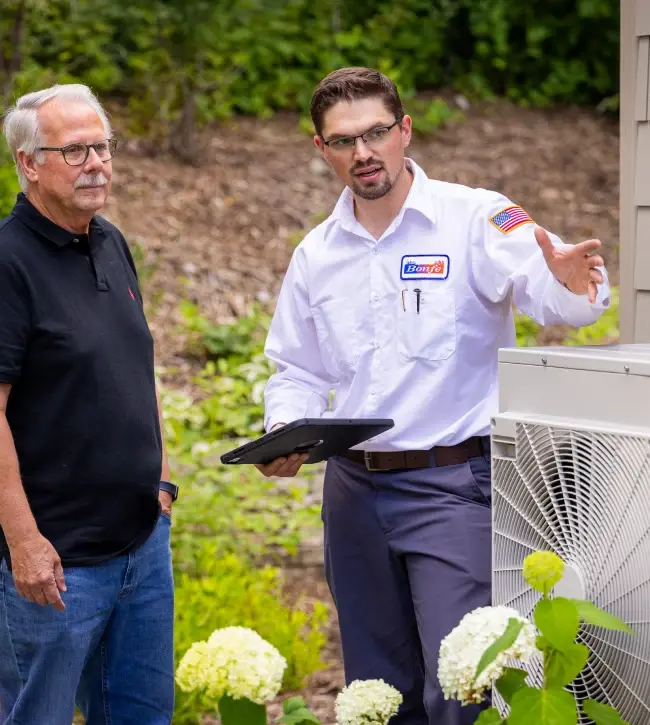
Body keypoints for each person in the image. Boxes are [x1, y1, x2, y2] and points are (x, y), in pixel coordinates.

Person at [255, 67, 610, 725]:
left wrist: (569, 281)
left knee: (462, 687)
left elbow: (553, 286)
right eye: (343, 141)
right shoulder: (316, 255)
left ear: (404, 130)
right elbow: (294, 369)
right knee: (377, 693)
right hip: (353, 494)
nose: (363, 153)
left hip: (453, 486)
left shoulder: (473, 218)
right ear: (321, 149)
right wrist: (288, 429)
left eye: (376, 133)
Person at [0, 84, 179, 725]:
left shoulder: (109, 241)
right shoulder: (8, 261)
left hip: (141, 543)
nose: (96, 163)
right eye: (74, 151)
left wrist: (160, 485)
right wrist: (23, 543)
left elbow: (137, 365)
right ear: (29, 163)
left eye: (101, 146)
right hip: (57, 565)